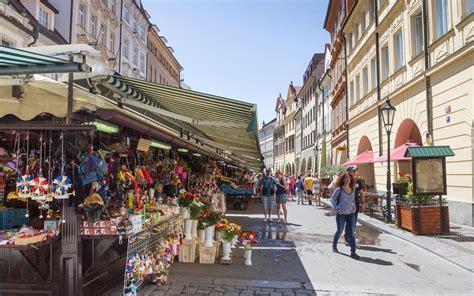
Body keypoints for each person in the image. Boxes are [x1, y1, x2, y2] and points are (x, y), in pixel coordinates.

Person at [331, 172, 360, 259]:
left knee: (351, 233)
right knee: (339, 231)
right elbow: (333, 200)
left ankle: (353, 252)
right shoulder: (339, 189)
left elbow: (353, 200)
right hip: (341, 214)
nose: (347, 179)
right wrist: (337, 209)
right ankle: (334, 246)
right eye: (346, 178)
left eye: (349, 178)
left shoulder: (352, 189)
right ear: (343, 180)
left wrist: (354, 207)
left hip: (351, 214)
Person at [344, 165, 365, 246]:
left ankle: (350, 237)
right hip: (347, 205)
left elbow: (361, 192)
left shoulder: (357, 181)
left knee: (354, 222)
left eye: (355, 171)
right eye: (353, 171)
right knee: (349, 222)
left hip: (355, 204)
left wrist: (363, 203)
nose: (355, 172)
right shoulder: (344, 181)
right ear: (348, 171)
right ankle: (347, 238)